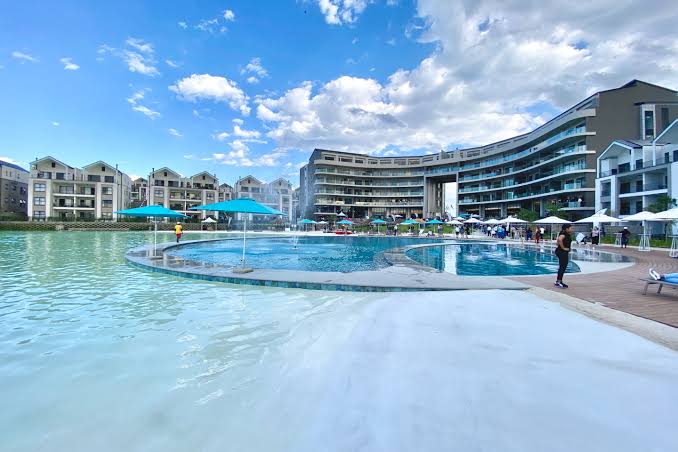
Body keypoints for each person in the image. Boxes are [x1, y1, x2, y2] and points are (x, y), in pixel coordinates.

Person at [554, 224, 574, 288]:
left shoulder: (564, 233)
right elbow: (559, 240)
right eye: (571, 228)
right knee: (563, 266)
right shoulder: (564, 234)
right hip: (562, 252)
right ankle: (559, 282)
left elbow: (557, 242)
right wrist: (563, 248)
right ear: (566, 229)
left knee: (562, 266)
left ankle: (558, 281)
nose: (572, 229)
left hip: (561, 252)